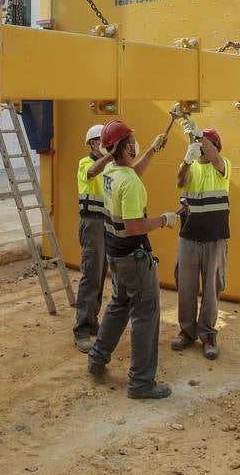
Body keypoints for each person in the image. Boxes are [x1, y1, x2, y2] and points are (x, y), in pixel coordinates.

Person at [87, 119, 179, 400]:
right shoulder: (130, 185)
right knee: (145, 314)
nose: (134, 145)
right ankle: (141, 382)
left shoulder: (112, 173)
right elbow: (135, 226)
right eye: (132, 143)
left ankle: (97, 358)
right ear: (126, 147)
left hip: (116, 255)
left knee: (119, 304)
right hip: (135, 258)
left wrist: (151, 149)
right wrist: (164, 219)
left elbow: (132, 173)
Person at [171, 122, 230, 360]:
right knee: (185, 286)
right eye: (198, 144)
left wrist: (198, 135)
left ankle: (208, 333)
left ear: (214, 146)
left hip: (214, 238)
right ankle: (187, 331)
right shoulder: (191, 167)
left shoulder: (222, 166)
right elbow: (180, 180)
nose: (201, 148)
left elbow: (215, 158)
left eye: (205, 144)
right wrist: (187, 158)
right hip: (189, 237)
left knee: (211, 287)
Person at [73, 124, 110, 353]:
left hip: (107, 223)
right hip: (92, 224)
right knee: (91, 275)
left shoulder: (109, 165)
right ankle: (82, 330)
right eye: (102, 141)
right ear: (93, 143)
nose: (106, 145)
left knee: (100, 274)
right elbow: (92, 172)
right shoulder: (85, 163)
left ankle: (93, 320)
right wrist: (110, 157)